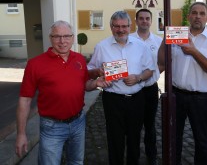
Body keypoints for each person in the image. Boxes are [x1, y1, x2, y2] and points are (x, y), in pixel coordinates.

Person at [15, 20, 111, 165]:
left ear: (72, 38)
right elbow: (25, 100)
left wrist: (96, 83)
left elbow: (85, 84)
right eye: (57, 36)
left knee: (76, 162)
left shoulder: (79, 59)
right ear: (50, 38)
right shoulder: (35, 64)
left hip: (78, 122)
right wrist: (21, 134)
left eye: (66, 36)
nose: (62, 41)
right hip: (51, 127)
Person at [158, 2, 207, 165]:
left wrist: (194, 51)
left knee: (201, 139)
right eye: (194, 13)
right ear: (188, 17)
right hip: (176, 94)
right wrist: (165, 40)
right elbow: (162, 61)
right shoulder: (178, 34)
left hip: (200, 98)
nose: (197, 16)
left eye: (201, 13)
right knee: (174, 137)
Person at [87, 11, 155, 165]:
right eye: (117, 26)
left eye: (124, 26)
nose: (121, 30)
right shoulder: (102, 47)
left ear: (130, 27)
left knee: (134, 138)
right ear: (111, 27)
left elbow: (150, 70)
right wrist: (99, 73)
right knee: (114, 139)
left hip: (136, 99)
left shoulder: (140, 46)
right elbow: (90, 71)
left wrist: (138, 78)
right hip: (113, 100)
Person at [130, 9, 163, 165]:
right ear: (136, 21)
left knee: (150, 126)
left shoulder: (158, 41)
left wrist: (155, 74)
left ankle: (152, 156)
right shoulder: (128, 39)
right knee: (133, 126)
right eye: (141, 18)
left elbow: (163, 63)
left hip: (150, 89)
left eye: (147, 18)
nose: (144, 21)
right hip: (133, 91)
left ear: (151, 21)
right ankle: (133, 157)